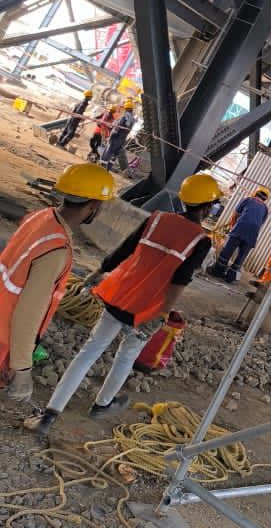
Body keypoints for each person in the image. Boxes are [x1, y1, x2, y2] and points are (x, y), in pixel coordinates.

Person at [24, 172, 222, 437]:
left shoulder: (156, 219)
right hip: (147, 309)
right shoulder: (200, 240)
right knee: (126, 355)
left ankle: (49, 415)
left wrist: (101, 270)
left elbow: (125, 248)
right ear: (208, 206)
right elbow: (179, 281)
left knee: (89, 351)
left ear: (184, 199)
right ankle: (102, 405)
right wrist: (161, 314)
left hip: (119, 295)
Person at [0, 164, 115, 404]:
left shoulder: (40, 216)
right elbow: (28, 312)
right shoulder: (56, 249)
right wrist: (21, 368)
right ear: (93, 205)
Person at [209, 185, 270, 284]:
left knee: (227, 251)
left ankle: (217, 272)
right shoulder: (266, 209)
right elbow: (260, 223)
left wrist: (232, 227)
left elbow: (235, 214)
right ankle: (230, 278)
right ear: (266, 199)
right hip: (252, 236)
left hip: (239, 230)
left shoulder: (248, 200)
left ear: (255, 193)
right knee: (241, 257)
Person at [101, 99, 135, 171]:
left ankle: (101, 168)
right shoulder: (133, 119)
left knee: (108, 152)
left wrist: (111, 135)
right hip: (123, 139)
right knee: (114, 155)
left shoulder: (124, 116)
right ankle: (107, 170)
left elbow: (117, 128)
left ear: (126, 108)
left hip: (116, 137)